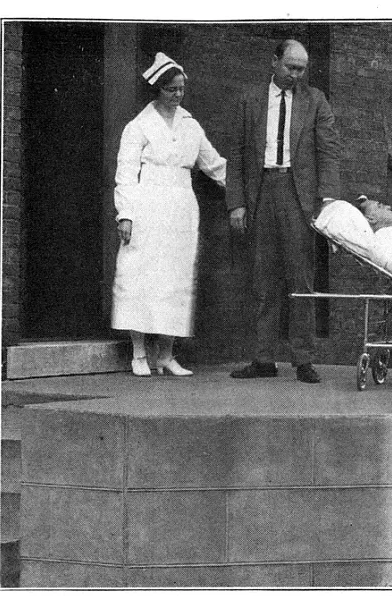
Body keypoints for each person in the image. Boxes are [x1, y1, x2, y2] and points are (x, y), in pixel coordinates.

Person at [227, 39, 342, 384]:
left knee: (301, 279)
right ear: (274, 61)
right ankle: (263, 359)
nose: (296, 74)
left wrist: (328, 201)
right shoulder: (249, 99)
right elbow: (236, 153)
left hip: (298, 196)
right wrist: (237, 202)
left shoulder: (315, 100)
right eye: (290, 67)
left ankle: (303, 360)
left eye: (302, 69)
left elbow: (329, 152)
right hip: (261, 192)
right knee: (263, 279)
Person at [112, 52, 226, 377]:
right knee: (141, 273)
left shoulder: (191, 126)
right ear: (157, 90)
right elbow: (125, 173)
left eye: (180, 89)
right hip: (148, 204)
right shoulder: (138, 127)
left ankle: (165, 354)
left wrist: (249, 186)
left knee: (175, 278)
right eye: (171, 89)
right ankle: (138, 352)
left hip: (181, 207)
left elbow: (214, 165)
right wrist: (126, 214)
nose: (177, 95)